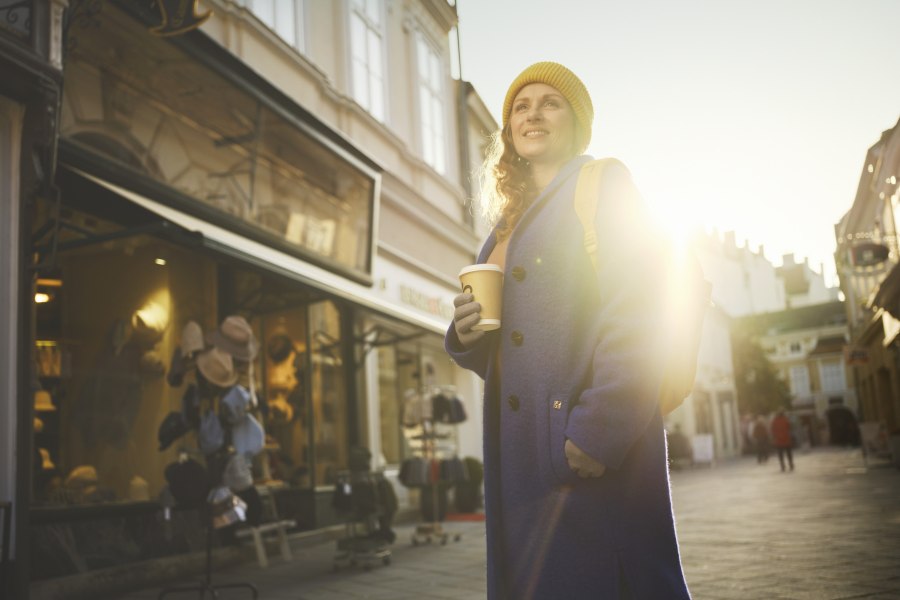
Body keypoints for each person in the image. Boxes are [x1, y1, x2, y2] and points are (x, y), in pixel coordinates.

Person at [445, 62, 691, 599]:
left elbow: (641, 309)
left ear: (576, 121)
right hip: (522, 462)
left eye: (549, 103)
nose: (531, 113)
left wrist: (597, 430)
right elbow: (513, 345)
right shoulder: (506, 226)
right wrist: (466, 335)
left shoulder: (603, 182)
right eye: (519, 106)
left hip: (584, 449)